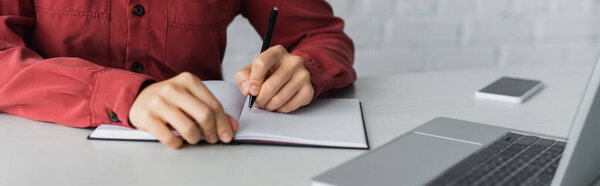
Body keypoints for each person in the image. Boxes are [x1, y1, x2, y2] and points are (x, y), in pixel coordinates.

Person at [0, 0, 356, 149]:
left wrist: (305, 67)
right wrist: (128, 95)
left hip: (203, 152)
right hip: (48, 154)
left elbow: (321, 35)